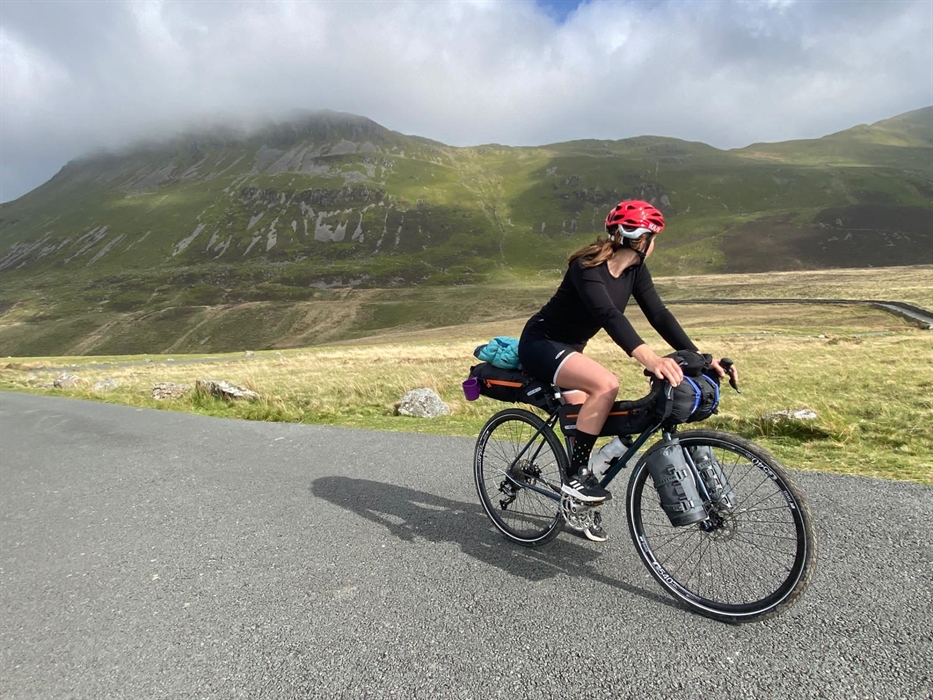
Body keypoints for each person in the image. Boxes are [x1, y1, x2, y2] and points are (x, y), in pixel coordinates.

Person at [517, 200, 732, 541]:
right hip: (541, 344)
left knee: (579, 424)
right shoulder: (586, 267)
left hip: (572, 349)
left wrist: (702, 359)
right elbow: (610, 317)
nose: (654, 243)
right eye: (654, 236)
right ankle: (575, 480)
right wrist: (652, 360)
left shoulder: (635, 271)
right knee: (606, 384)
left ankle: (575, 507)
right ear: (641, 239)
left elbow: (659, 315)